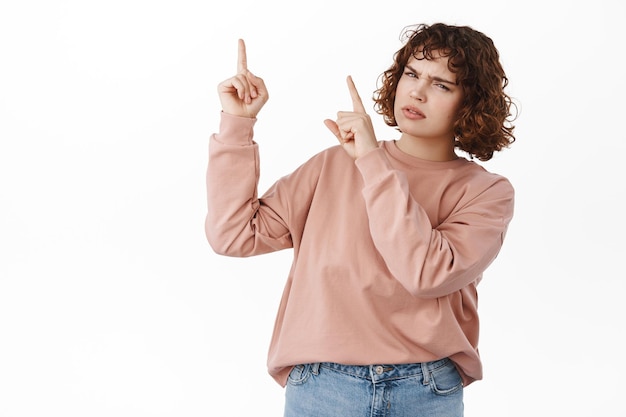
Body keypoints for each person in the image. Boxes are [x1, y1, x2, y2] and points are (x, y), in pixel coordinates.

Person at [205, 22, 516, 417]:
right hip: (322, 388)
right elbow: (232, 235)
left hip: (425, 390)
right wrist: (237, 123)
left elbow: (425, 273)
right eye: (412, 74)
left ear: (469, 104)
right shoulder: (332, 165)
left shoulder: (486, 192)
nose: (417, 92)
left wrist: (373, 163)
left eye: (442, 85)